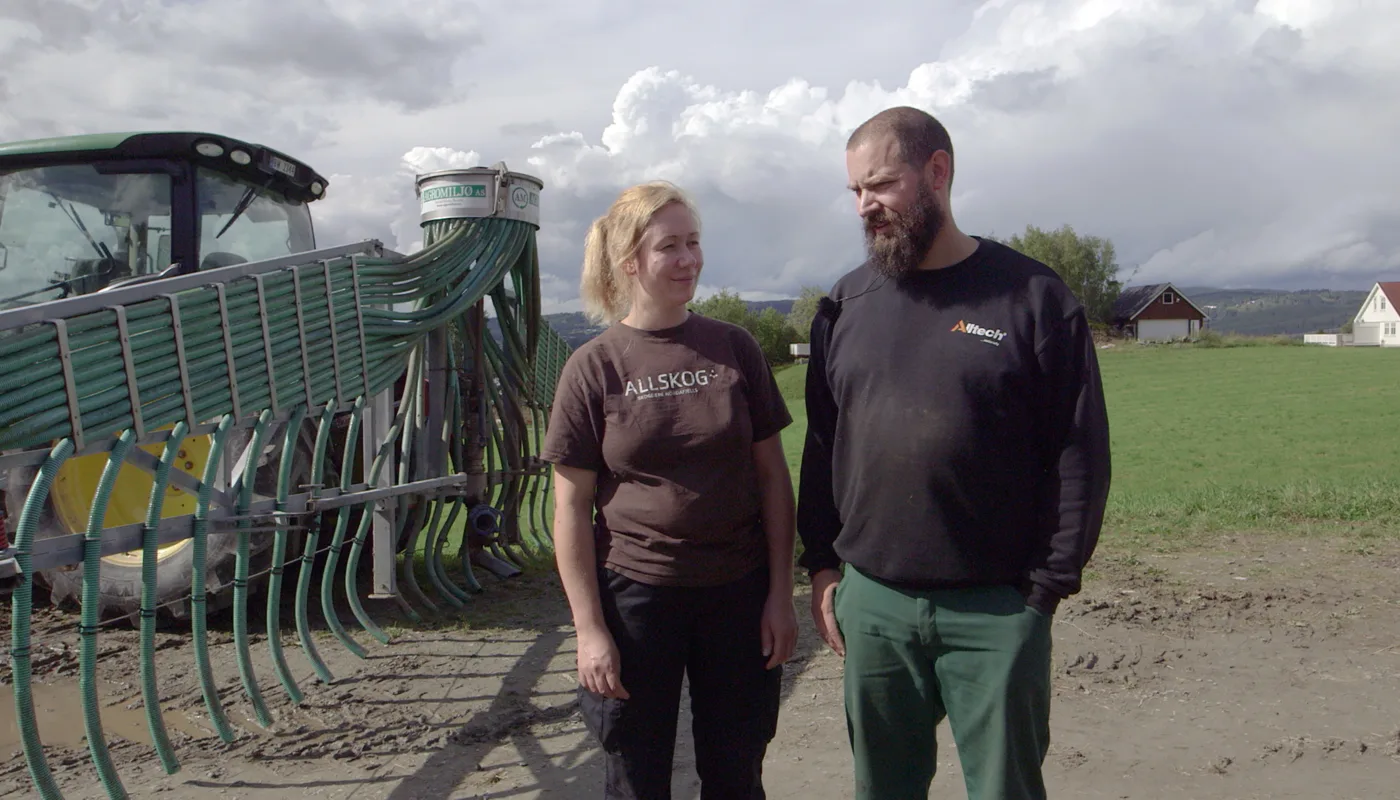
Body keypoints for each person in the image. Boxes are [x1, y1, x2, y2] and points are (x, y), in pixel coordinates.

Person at [796, 106, 1112, 799]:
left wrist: (1042, 592)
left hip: (997, 611)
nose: (864, 207)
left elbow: (1079, 453)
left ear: (937, 172)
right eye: (854, 191)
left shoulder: (1032, 299)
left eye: (879, 185)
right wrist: (822, 565)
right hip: (874, 606)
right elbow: (823, 446)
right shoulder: (846, 306)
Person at [541, 180, 799, 799]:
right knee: (635, 774)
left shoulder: (733, 348)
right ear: (631, 261)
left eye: (694, 243)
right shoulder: (594, 367)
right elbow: (571, 510)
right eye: (669, 248)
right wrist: (589, 629)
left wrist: (780, 594)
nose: (688, 260)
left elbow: (772, 478)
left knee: (737, 771)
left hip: (737, 592)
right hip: (636, 598)